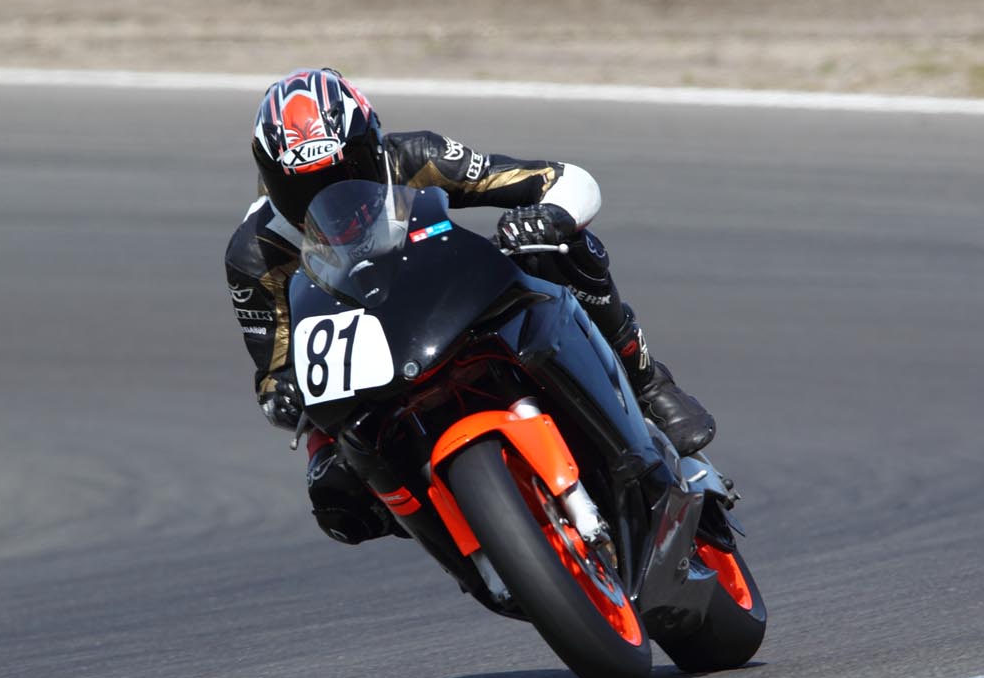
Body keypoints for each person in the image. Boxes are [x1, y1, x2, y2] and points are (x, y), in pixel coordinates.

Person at [225, 68, 715, 544]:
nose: (331, 195)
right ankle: (457, 531)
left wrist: (546, 217)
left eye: (346, 171)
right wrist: (281, 396)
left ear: (373, 145)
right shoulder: (256, 250)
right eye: (303, 187)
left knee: (565, 246)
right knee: (335, 494)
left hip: (450, 302)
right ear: (268, 180)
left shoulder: (417, 156)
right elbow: (274, 371)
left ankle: (648, 384)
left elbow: (565, 180)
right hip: (374, 363)